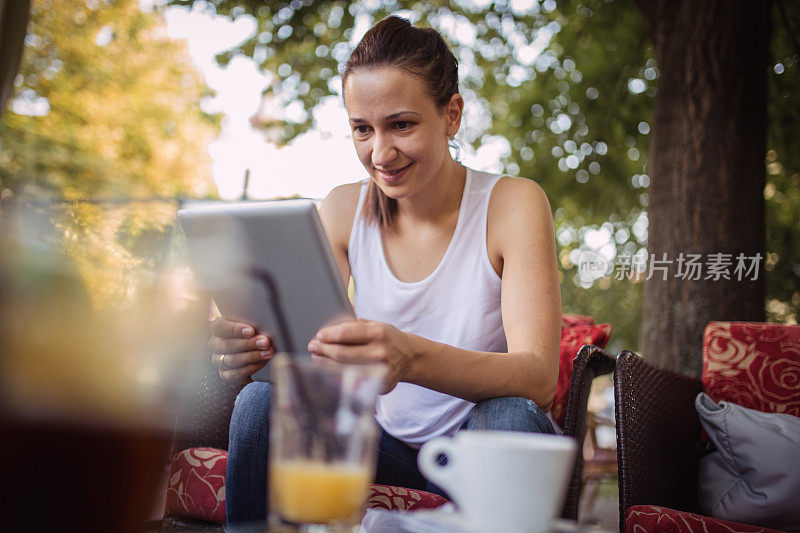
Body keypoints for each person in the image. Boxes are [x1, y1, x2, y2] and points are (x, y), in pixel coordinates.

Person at [207, 15, 562, 529]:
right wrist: (251, 351)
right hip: (377, 444)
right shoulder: (341, 208)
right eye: (362, 129)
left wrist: (408, 357)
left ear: (452, 115)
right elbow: (309, 353)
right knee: (262, 399)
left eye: (402, 124)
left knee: (512, 413)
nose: (380, 152)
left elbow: (538, 378)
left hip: (475, 449)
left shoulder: (513, 203)